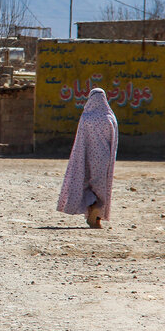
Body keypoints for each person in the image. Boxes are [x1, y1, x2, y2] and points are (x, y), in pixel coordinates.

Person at [57, 87, 119, 228]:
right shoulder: (110, 117)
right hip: (104, 158)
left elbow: (80, 140)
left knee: (87, 184)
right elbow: (114, 141)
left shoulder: (86, 117)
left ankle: (93, 208)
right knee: (101, 186)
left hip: (87, 157)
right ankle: (97, 218)